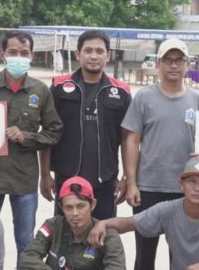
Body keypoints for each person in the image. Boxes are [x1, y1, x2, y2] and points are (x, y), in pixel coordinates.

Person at [120, 37, 199, 270]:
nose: (174, 65)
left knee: (185, 252)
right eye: (168, 60)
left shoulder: (197, 100)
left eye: (179, 60)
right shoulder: (144, 98)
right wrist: (131, 182)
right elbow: (131, 139)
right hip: (148, 185)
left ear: (187, 64)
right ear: (158, 64)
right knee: (145, 249)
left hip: (186, 190)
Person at [0, 30, 63, 255]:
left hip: (24, 177)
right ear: (3, 53)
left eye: (24, 53)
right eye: (13, 52)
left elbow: (54, 132)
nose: (18, 57)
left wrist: (26, 137)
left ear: (32, 56)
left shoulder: (40, 91)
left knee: (25, 240)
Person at [39, 29, 132, 219]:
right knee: (66, 233)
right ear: (77, 54)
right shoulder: (59, 88)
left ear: (108, 55)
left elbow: (127, 139)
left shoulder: (121, 92)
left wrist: (127, 178)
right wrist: (45, 175)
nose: (94, 56)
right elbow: (48, 133)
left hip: (105, 181)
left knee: (103, 231)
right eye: (88, 50)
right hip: (67, 179)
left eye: (99, 51)